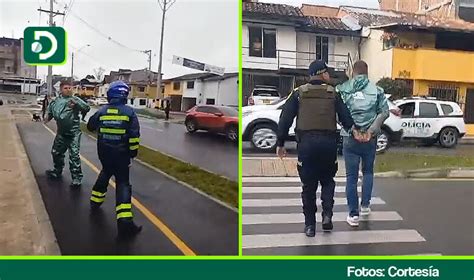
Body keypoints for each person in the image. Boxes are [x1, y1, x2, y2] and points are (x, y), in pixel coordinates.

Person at [277, 60, 355, 237]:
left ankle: (310, 226)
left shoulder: (298, 94)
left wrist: (280, 143)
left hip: (306, 146)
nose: (329, 75)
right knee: (328, 182)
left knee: (308, 186)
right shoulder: (333, 93)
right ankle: (327, 216)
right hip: (328, 145)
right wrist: (355, 131)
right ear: (323, 74)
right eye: (327, 72)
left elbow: (285, 120)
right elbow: (346, 118)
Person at [335, 60, 389, 227]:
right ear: (367, 72)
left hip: (350, 138)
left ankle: (353, 215)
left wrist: (353, 130)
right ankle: (365, 206)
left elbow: (338, 113)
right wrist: (371, 131)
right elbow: (384, 112)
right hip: (369, 139)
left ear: (353, 72)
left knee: (351, 177)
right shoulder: (377, 91)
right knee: (367, 172)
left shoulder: (342, 89)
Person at [87, 81, 142, 237]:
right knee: (123, 184)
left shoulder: (102, 110)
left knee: (105, 173)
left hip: (104, 153)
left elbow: (90, 126)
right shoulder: (129, 112)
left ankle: (95, 201)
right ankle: (125, 224)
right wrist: (132, 154)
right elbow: (134, 137)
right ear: (125, 95)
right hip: (122, 155)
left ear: (110, 94)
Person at [44, 80, 90, 187]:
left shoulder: (75, 100)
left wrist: (77, 104)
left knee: (74, 156)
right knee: (56, 152)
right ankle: (57, 170)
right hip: (61, 133)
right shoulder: (55, 102)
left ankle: (77, 178)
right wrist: (46, 118)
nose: (68, 90)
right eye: (66, 88)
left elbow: (86, 108)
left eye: (70, 88)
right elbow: (50, 113)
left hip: (74, 133)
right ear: (61, 89)